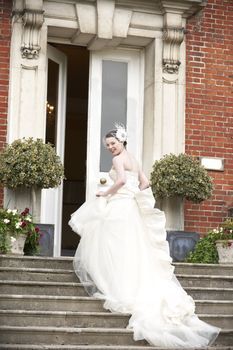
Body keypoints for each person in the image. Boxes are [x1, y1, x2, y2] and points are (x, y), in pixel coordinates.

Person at [69, 124, 220, 348]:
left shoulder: (118, 160)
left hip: (121, 207)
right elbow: (145, 182)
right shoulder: (134, 158)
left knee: (114, 245)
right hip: (132, 208)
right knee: (133, 247)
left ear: (122, 142)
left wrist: (105, 192)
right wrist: (134, 196)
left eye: (113, 143)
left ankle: (119, 284)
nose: (110, 147)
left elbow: (120, 181)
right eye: (108, 145)